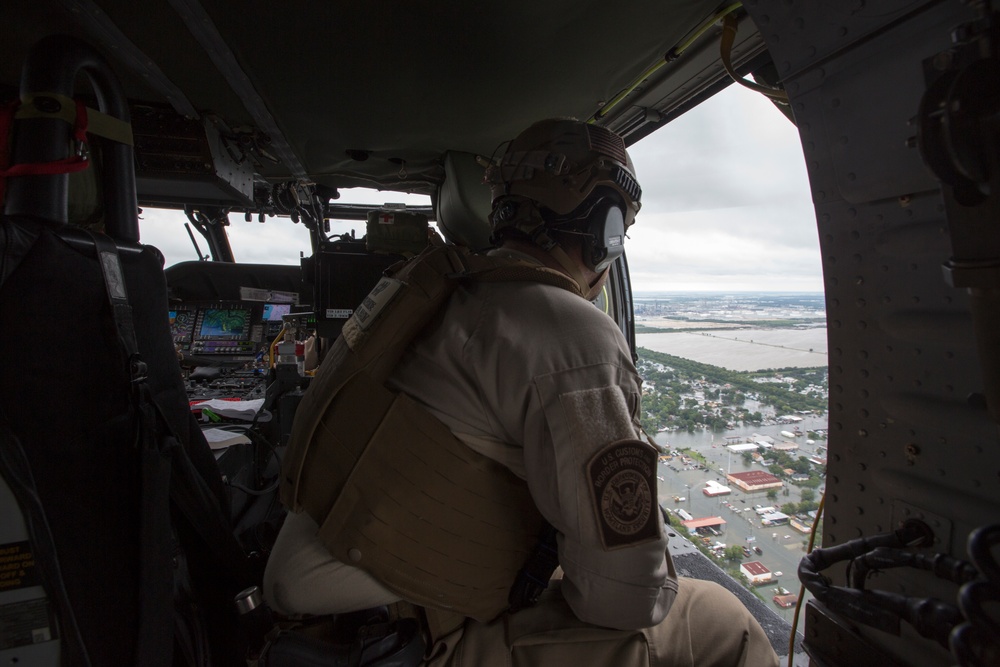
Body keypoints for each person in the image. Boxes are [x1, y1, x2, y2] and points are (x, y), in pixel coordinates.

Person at [264, 118, 779, 666]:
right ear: (606, 231)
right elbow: (624, 599)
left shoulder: (434, 290)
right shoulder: (570, 332)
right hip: (399, 637)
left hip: (318, 596)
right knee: (725, 623)